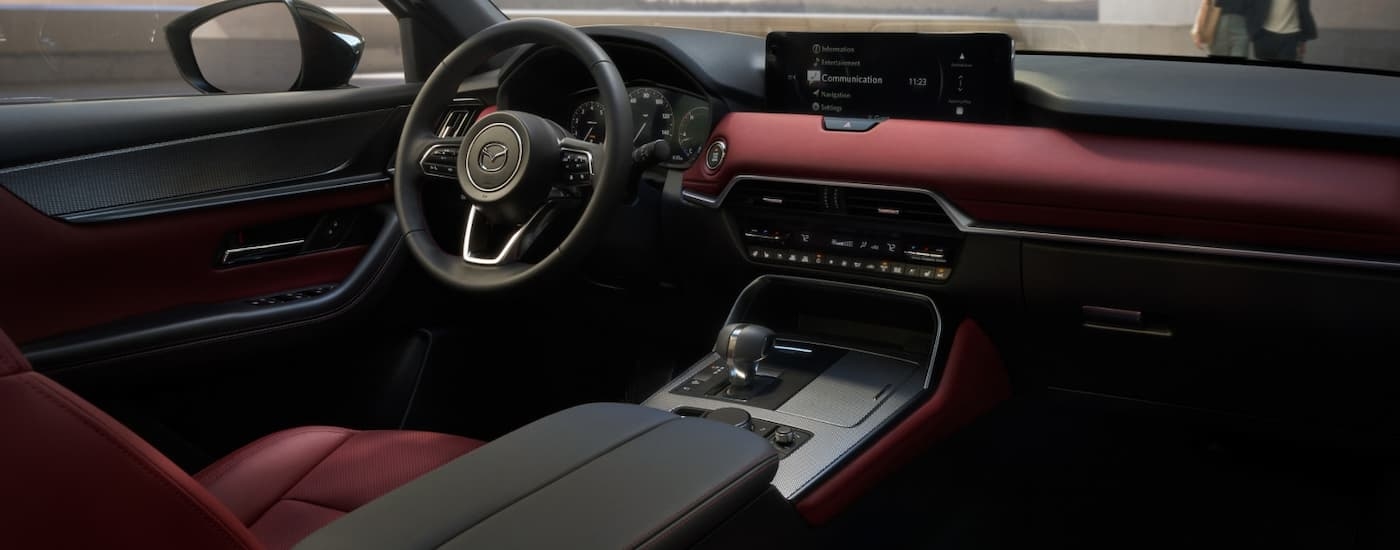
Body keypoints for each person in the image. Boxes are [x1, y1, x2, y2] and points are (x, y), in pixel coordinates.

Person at [1248, 0, 1318, 62]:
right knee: (1263, 71)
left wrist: (1303, 39)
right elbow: (1249, 5)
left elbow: (1304, 9)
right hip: (1263, 34)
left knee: (1285, 72)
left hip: (1290, 36)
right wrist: (1252, 29)